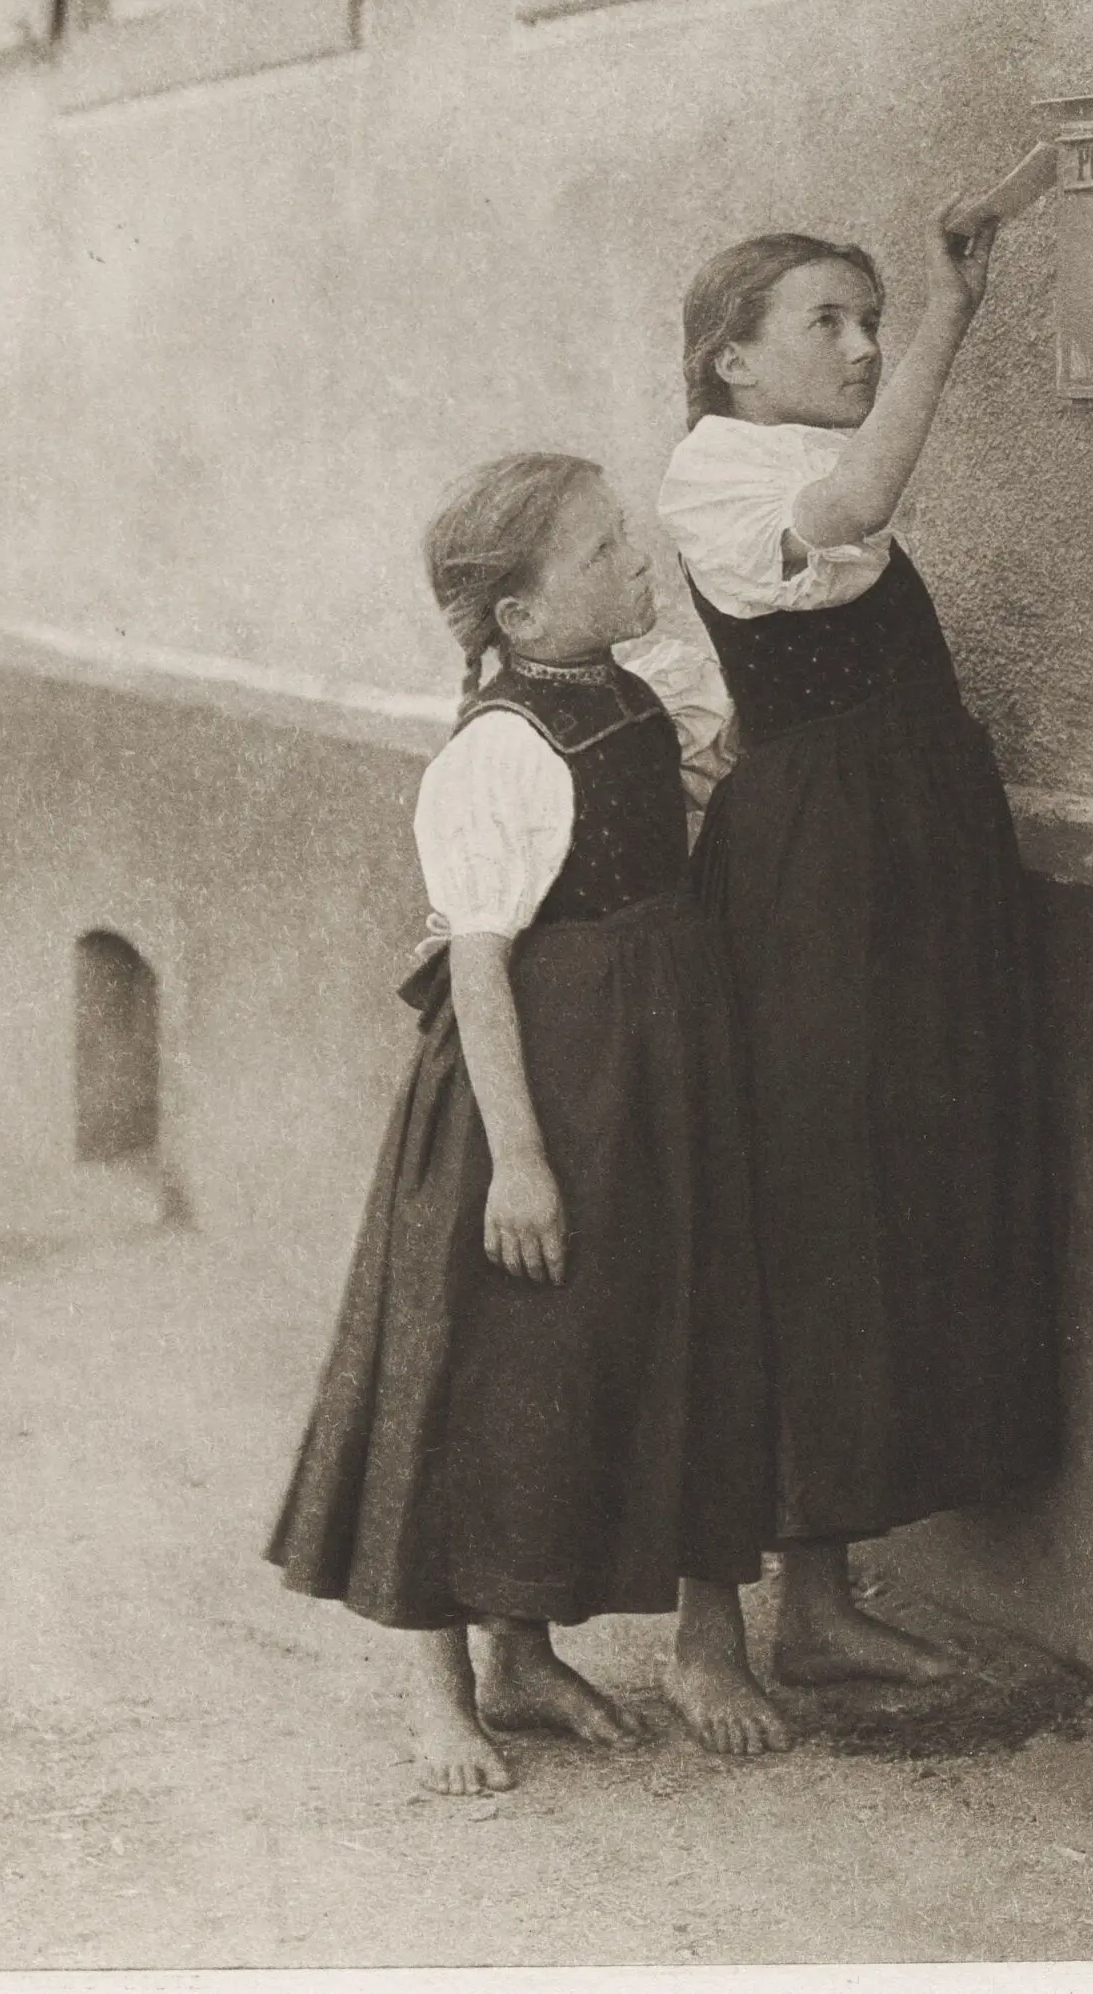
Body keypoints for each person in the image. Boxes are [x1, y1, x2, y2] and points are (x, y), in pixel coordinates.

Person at [267, 454, 790, 1790]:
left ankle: (541, 1650)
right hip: (532, 1092)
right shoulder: (498, 750)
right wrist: (519, 1162)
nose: (639, 565)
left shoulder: (633, 689)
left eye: (629, 542)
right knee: (478, 1369)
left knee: (649, 1333)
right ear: (519, 618)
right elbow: (481, 962)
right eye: (607, 554)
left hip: (657, 1073)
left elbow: (678, 771)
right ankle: (442, 1687)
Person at [657, 204, 1056, 1687]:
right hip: (820, 869)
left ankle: (817, 1604)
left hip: (907, 857)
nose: (863, 343)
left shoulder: (778, 456)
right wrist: (957, 314)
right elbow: (861, 494)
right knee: (795, 1206)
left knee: (880, 1192)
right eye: (827, 320)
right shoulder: (717, 472)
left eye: (874, 317)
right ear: (732, 362)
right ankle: (717, 1625)